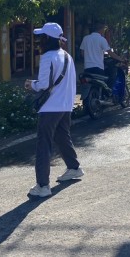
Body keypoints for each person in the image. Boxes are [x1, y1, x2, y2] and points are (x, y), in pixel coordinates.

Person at [25, 22, 83, 198]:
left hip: (50, 107)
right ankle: (74, 168)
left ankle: (43, 186)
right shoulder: (67, 56)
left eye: (41, 37)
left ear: (46, 39)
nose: (38, 41)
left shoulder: (47, 57)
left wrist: (31, 84)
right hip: (66, 105)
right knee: (62, 137)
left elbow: (43, 84)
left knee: (44, 144)